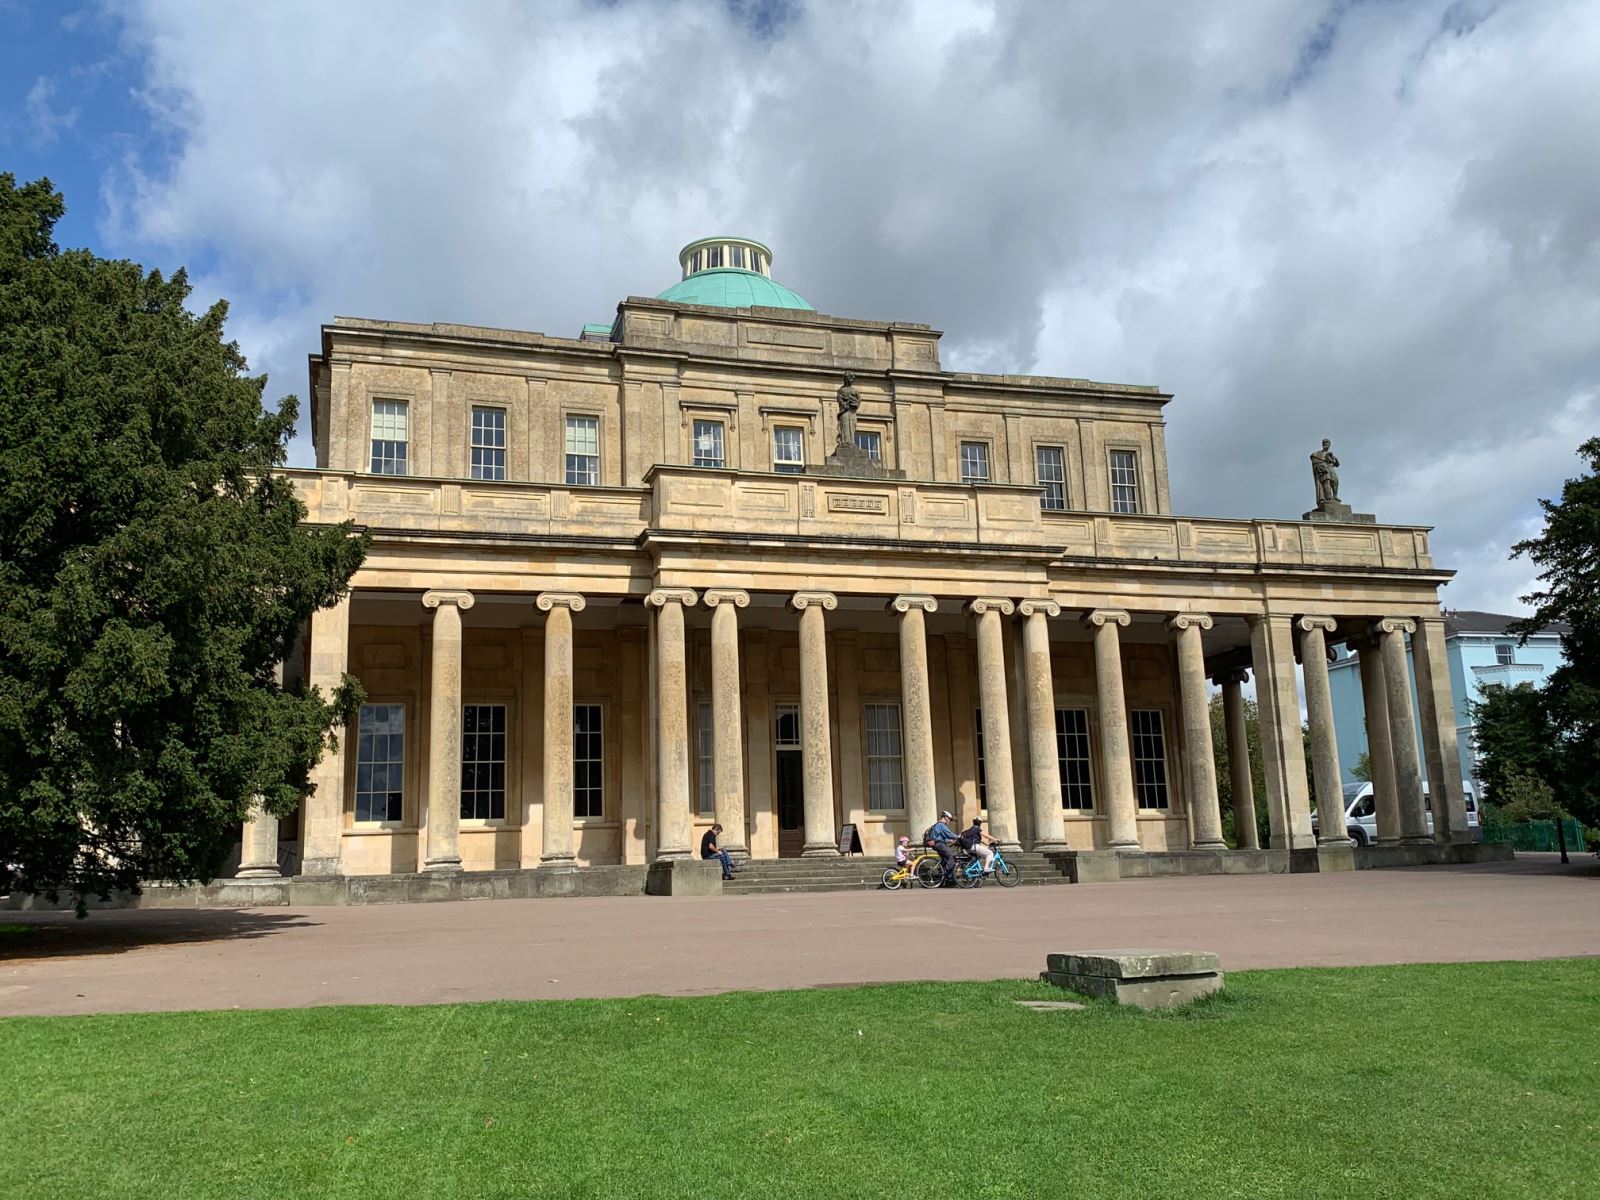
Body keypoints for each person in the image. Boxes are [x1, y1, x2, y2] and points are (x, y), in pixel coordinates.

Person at [924, 810, 959, 882]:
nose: (949, 821)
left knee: (944, 860)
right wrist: (959, 837)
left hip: (937, 844)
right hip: (939, 844)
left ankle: (941, 877)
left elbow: (939, 837)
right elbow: (949, 834)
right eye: (949, 819)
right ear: (946, 817)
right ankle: (950, 879)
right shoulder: (941, 825)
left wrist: (949, 840)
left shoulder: (936, 824)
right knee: (950, 858)